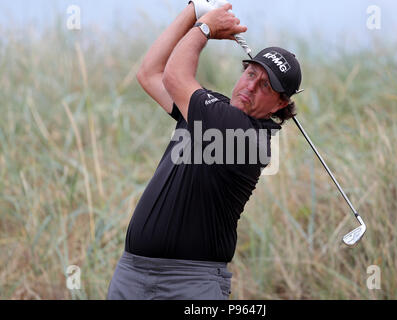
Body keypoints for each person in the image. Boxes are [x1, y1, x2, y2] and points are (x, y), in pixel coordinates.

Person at [107, 0, 302, 300]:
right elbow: (149, 74)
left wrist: (206, 27)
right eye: (251, 74)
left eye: (265, 86)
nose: (250, 87)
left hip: (189, 284)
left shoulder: (246, 135)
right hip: (133, 273)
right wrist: (194, 10)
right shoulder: (213, 109)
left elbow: (174, 77)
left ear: (280, 104)